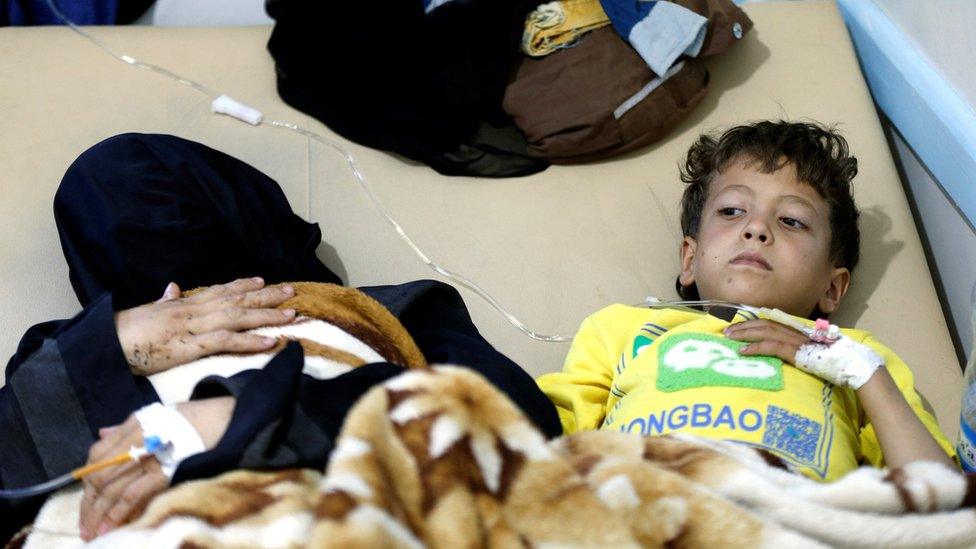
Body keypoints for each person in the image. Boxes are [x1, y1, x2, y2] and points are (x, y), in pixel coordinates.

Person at [0, 133, 562, 543]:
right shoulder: (67, 350)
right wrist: (118, 339)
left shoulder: (388, 312)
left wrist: (238, 419)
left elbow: (519, 425)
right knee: (105, 173)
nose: (188, 291)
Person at [537, 120, 956, 482]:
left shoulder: (854, 357)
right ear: (689, 259)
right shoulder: (620, 329)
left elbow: (940, 501)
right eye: (732, 210)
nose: (756, 227)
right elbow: (533, 451)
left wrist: (863, 374)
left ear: (832, 288)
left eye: (791, 220)